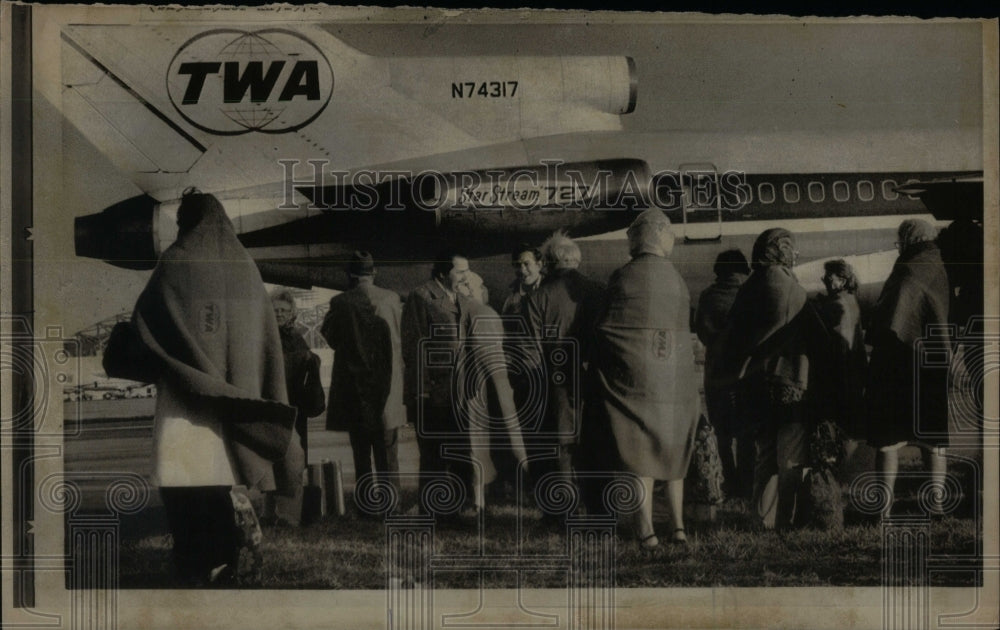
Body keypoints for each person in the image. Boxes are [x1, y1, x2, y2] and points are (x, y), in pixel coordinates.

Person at [102, 189, 299, 585]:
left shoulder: (175, 262)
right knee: (217, 489)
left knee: (182, 492)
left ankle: (193, 564)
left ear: (186, 221)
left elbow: (146, 327)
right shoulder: (246, 267)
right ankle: (224, 561)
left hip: (181, 407)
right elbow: (263, 343)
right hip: (228, 408)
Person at [580, 209, 699, 549]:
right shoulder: (677, 278)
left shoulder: (623, 277)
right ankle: (678, 528)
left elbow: (608, 328)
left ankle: (645, 531)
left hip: (634, 382)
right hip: (675, 383)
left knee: (638, 456)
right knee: (674, 457)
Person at [717, 227, 831, 530]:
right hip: (790, 384)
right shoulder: (788, 288)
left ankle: (761, 518)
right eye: (791, 248)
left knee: (765, 456)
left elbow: (732, 336)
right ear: (779, 251)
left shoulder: (749, 286)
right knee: (790, 457)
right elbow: (819, 337)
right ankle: (787, 520)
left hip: (755, 385)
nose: (796, 254)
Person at [866, 219, 951, 516]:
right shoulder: (938, 264)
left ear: (909, 240)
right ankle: (936, 503)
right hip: (933, 363)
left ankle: (884, 508)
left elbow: (890, 319)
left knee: (888, 441)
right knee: (933, 438)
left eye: (900, 240)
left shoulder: (908, 269)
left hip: (898, 365)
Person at [524, 232, 604, 518]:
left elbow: (531, 349)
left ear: (547, 262)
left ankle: (562, 512)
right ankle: (597, 508)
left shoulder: (537, 298)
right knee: (593, 444)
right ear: (577, 260)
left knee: (561, 446)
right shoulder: (597, 290)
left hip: (554, 379)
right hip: (593, 377)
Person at [322, 252, 406, 506]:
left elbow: (331, 337)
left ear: (350, 275)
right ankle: (392, 504)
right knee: (388, 452)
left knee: (361, 453)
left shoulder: (340, 303)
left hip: (354, 388)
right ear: (374, 273)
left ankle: (367, 506)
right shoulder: (392, 299)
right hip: (388, 388)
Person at [401, 251, 476, 516]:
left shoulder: (465, 299)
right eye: (460, 271)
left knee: (461, 450)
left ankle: (462, 506)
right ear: (443, 273)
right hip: (432, 392)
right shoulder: (421, 297)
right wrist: (421, 393)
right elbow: (414, 348)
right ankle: (431, 509)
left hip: (459, 391)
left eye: (467, 271)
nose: (466, 276)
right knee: (433, 454)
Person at [456, 271, 529, 512]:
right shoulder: (484, 313)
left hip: (463, 389)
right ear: (474, 290)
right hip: (488, 388)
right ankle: (488, 497)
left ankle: (477, 497)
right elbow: (495, 362)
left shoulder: (455, 311)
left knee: (473, 441)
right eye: (482, 286)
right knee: (492, 440)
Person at [695, 249, 752, 498]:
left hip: (717, 374)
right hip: (746, 374)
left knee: (723, 434)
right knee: (747, 432)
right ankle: (748, 484)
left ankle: (730, 481)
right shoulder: (752, 293)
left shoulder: (708, 296)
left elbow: (701, 332)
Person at [266, 289, 325, 526]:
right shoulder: (267, 336)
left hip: (294, 408)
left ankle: (284, 514)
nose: (279, 314)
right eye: (275, 309)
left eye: (284, 310)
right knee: (280, 461)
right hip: (277, 407)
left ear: (292, 313)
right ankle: (281, 515)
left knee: (289, 462)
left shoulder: (295, 337)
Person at [494, 245, 544, 501]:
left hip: (543, 372)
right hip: (520, 374)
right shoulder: (511, 297)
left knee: (546, 434)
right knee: (525, 432)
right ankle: (527, 484)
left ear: (539, 264)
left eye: (526, 264)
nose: (522, 269)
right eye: (518, 265)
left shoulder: (547, 292)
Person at [814, 260, 867, 459]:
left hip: (842, 375)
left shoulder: (838, 305)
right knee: (849, 425)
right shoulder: (850, 300)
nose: (825, 281)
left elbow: (837, 345)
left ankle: (840, 467)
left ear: (842, 280)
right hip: (854, 373)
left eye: (829, 278)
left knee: (838, 424)